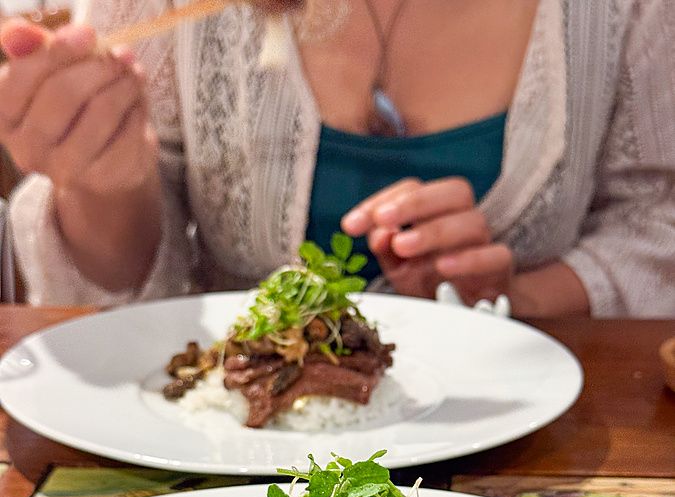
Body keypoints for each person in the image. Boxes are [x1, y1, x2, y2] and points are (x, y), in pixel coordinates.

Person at [1, 0, 673, 316]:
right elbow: (116, 291)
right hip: (213, 452)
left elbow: (654, 221)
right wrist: (103, 184)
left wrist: (517, 300)